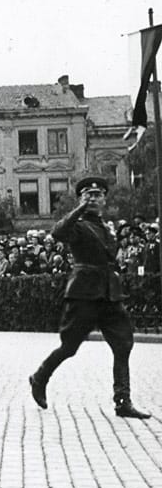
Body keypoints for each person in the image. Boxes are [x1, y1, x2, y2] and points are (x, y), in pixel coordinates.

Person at [29, 177, 151, 419]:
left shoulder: (106, 227)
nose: (93, 198)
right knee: (70, 347)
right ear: (80, 200)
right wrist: (79, 210)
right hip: (84, 292)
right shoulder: (78, 225)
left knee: (123, 344)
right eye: (88, 195)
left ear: (104, 199)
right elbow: (58, 231)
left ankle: (123, 401)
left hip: (109, 293)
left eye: (97, 195)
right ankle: (40, 377)